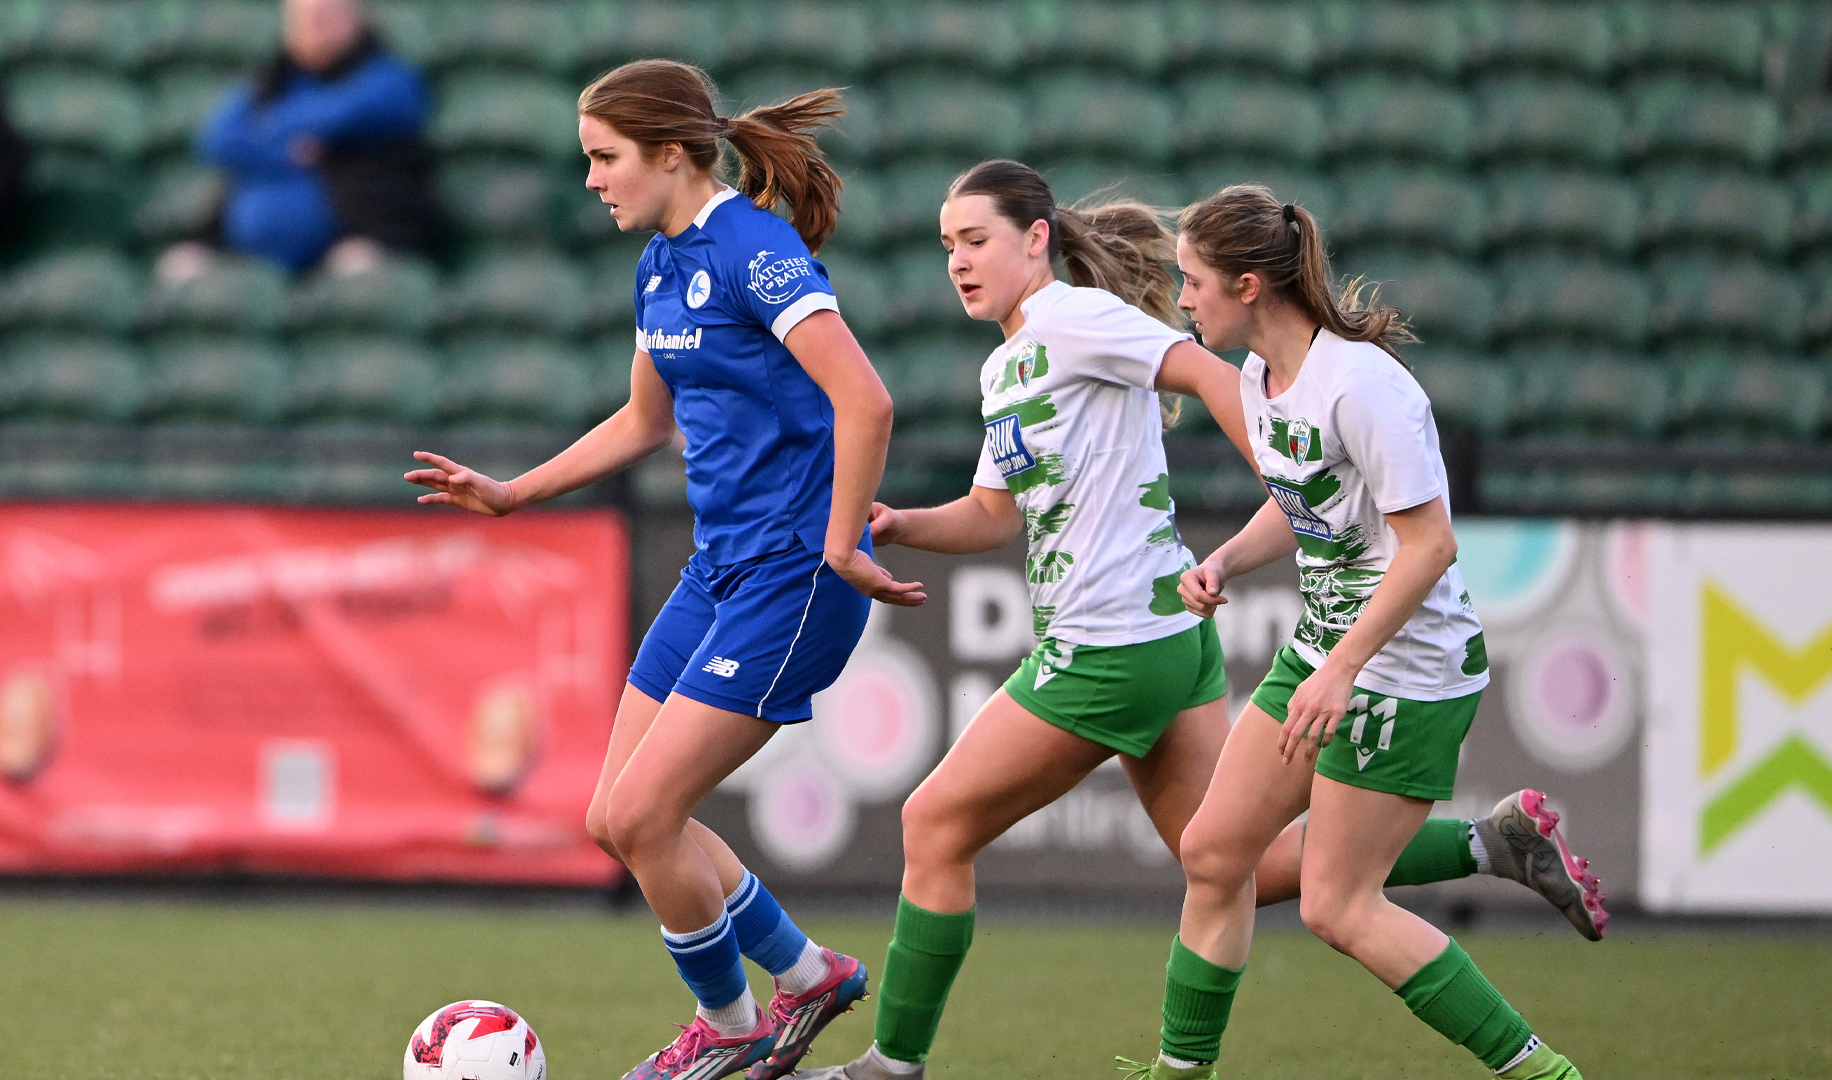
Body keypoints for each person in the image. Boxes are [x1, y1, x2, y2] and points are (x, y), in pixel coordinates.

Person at [796, 163, 1604, 1080]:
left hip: (1138, 646)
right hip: (1200, 636)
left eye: (974, 240)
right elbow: (995, 512)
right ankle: (1484, 844)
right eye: (946, 246)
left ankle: (891, 1067)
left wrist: (1291, 517)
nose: (956, 262)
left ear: (1037, 239)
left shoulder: (1083, 320)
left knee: (936, 824)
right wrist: (902, 526)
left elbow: (1396, 521)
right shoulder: (1013, 365)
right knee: (1225, 861)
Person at [403, 60, 917, 1080]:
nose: (592, 179)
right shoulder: (658, 265)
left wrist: (843, 539)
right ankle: (807, 976)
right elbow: (647, 421)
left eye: (606, 158)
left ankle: (730, 1031)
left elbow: (867, 401)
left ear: (673, 155)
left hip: (791, 579)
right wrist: (515, 491)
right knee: (615, 820)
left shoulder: (752, 249)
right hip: (719, 570)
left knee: (644, 815)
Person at [1127, 185, 1594, 1080]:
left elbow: (1430, 545)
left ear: (1251, 284)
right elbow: (1299, 501)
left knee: (1337, 906)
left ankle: (1542, 1071)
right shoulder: (1262, 379)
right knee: (1216, 852)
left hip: (1407, 667)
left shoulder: (1365, 385)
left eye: (1192, 282)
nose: (1182, 300)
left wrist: (1343, 666)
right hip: (1330, 650)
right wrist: (1225, 562)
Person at [181, 0, 438, 276]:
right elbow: (218, 139)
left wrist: (267, 135)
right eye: (301, 19)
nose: (314, 27)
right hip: (246, 255)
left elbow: (351, 113)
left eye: (325, 17)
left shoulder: (385, 75)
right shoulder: (271, 81)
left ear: (356, 19)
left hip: (356, 244)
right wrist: (286, 150)